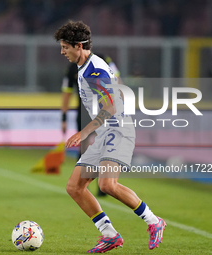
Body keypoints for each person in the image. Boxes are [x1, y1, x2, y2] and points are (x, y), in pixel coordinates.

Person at [54, 20, 166, 253]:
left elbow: (113, 105)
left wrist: (84, 132)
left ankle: (154, 222)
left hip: (119, 129)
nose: (62, 52)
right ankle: (110, 234)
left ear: (79, 45)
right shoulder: (83, 67)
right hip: (105, 131)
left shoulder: (95, 70)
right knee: (74, 186)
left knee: (107, 184)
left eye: (65, 47)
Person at [61, 55, 121, 197]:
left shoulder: (104, 60)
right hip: (84, 111)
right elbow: (66, 93)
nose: (64, 51)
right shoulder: (71, 68)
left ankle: (105, 185)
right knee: (84, 149)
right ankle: (82, 184)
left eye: (66, 46)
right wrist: (63, 117)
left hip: (105, 108)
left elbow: (117, 81)